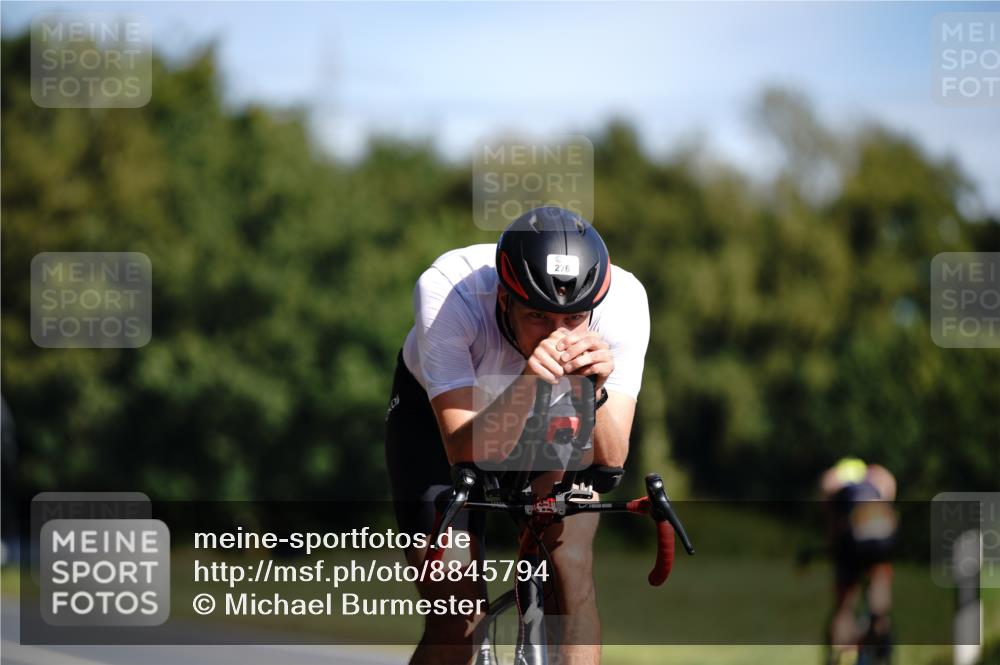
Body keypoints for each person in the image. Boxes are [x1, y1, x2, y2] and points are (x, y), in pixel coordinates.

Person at [384, 206, 650, 665]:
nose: (559, 336)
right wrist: (528, 383)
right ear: (503, 299)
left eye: (573, 319)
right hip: (442, 426)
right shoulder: (450, 292)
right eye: (538, 318)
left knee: (571, 574)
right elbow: (461, 449)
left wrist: (595, 393)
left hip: (555, 409)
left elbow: (609, 460)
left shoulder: (623, 302)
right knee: (457, 619)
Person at [819, 457, 898, 665]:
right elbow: (889, 496)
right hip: (883, 531)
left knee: (845, 606)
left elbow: (831, 523)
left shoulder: (833, 480)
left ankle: (840, 655)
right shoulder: (878, 475)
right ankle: (879, 627)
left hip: (852, 534)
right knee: (879, 590)